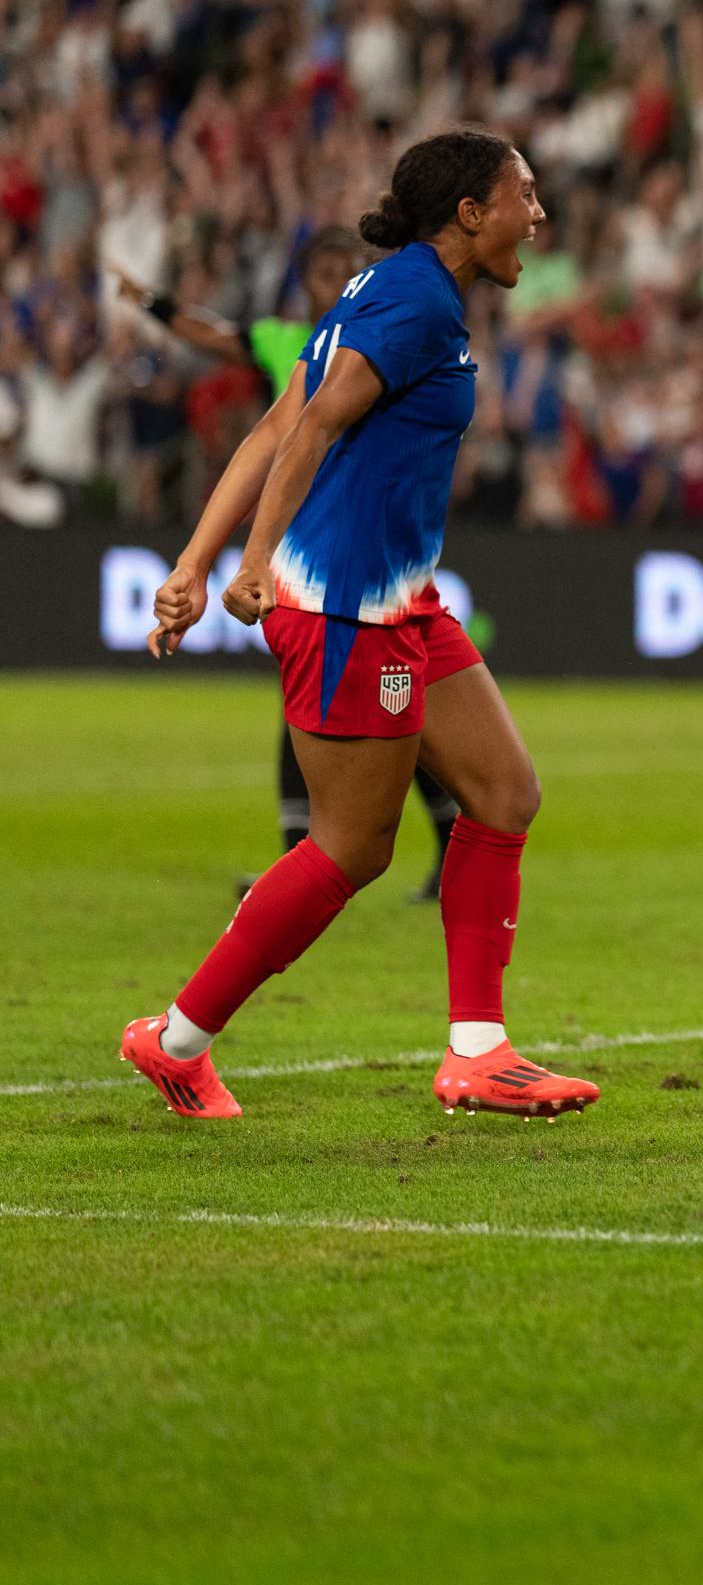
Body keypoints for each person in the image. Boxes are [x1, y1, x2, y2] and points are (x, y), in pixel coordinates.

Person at [127, 130, 596, 1121]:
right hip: (343, 605)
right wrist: (245, 562)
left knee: (504, 792)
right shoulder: (416, 297)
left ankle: (478, 1050)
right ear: (470, 211)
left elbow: (274, 422)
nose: (540, 213)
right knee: (350, 848)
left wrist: (193, 563)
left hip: (399, 599)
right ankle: (175, 1040)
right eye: (526, 193)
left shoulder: (391, 289)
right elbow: (309, 426)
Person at [116, 228, 464, 900]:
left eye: (348, 267)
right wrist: (153, 304)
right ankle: (307, 857)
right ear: (305, 280)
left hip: (358, 539)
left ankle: (321, 858)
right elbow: (221, 349)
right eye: (326, 268)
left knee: (390, 707)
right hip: (305, 534)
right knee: (366, 706)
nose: (339, 276)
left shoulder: (388, 331)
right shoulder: (292, 341)